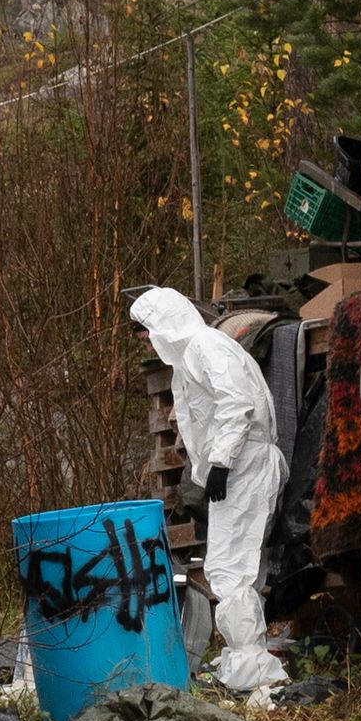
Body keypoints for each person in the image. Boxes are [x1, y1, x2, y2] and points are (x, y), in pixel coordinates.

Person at [131, 288, 289, 692]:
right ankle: (245, 655)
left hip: (243, 465)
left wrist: (221, 461)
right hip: (238, 466)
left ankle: (251, 666)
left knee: (228, 567)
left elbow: (236, 403)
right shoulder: (191, 358)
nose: (147, 341)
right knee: (238, 565)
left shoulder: (205, 347)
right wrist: (211, 467)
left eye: (147, 332)